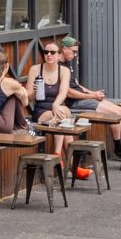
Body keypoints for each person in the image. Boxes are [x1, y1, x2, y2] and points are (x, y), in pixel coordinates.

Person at [59, 35, 121, 161]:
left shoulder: (67, 64)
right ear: (64, 49)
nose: (75, 55)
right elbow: (69, 92)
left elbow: (77, 86)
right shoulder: (59, 66)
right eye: (74, 51)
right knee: (115, 113)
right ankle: (119, 149)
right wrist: (92, 96)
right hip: (74, 102)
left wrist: (94, 93)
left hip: (83, 97)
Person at [26, 41, 92, 179]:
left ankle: (58, 155)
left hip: (58, 106)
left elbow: (63, 92)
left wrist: (56, 104)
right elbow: (28, 98)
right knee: (64, 120)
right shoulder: (35, 69)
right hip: (42, 110)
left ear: (58, 55)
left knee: (62, 113)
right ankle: (73, 166)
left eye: (52, 52)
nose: (49, 55)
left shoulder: (64, 71)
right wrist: (34, 92)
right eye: (46, 52)